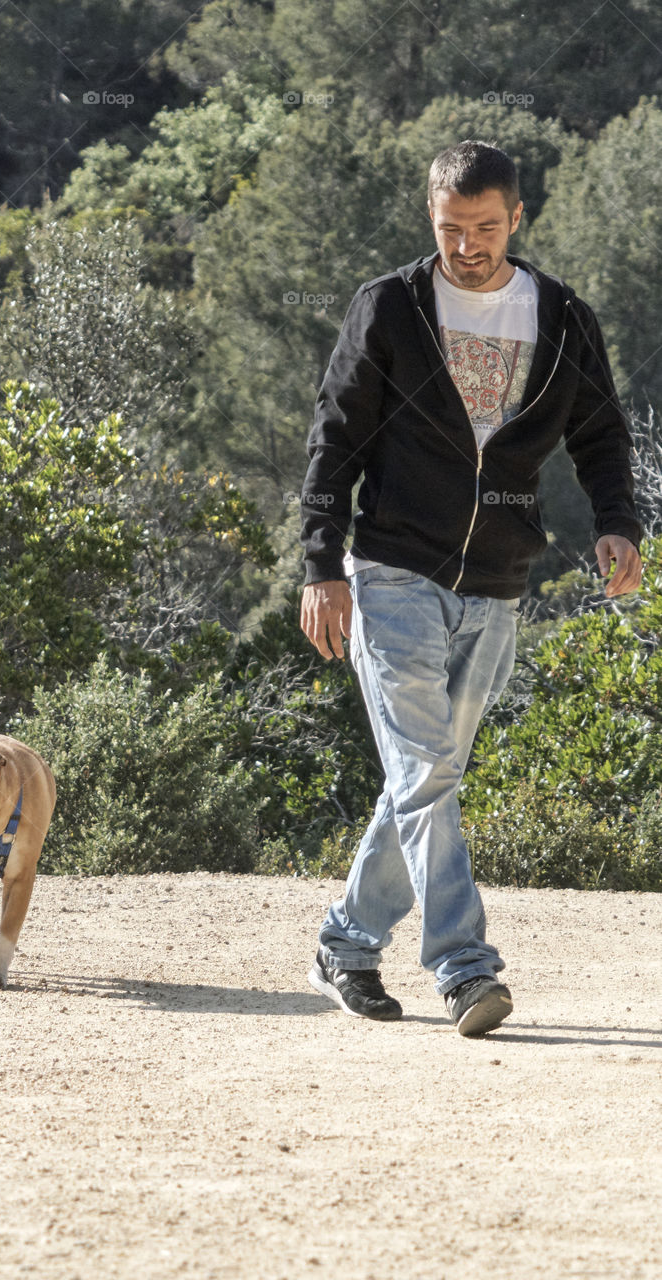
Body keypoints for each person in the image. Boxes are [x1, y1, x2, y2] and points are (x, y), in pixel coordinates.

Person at [299, 140, 643, 1037]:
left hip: (496, 581)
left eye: (485, 228)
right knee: (422, 775)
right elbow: (333, 439)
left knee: (429, 777)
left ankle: (345, 939)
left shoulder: (561, 317)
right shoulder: (389, 307)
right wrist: (319, 565)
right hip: (391, 571)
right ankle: (463, 968)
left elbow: (601, 437)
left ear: (516, 218)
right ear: (431, 219)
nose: (468, 246)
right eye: (451, 229)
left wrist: (618, 523)